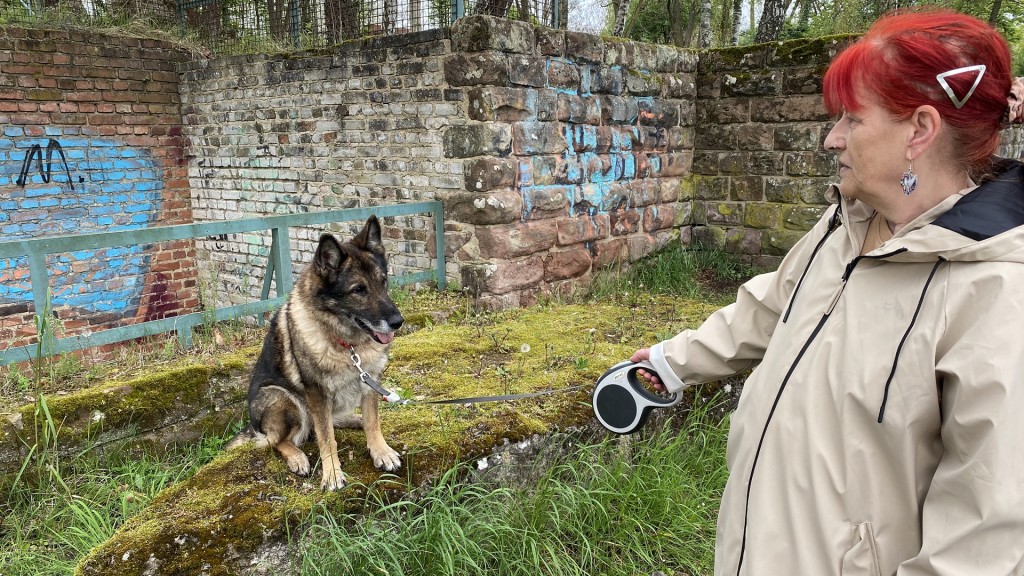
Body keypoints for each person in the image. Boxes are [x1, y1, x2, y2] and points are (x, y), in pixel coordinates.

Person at [629, 9, 1024, 576]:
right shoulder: (848, 224)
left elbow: (983, 539)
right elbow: (775, 304)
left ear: (920, 130)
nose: (830, 137)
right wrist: (672, 362)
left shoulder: (997, 292)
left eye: (851, 119)